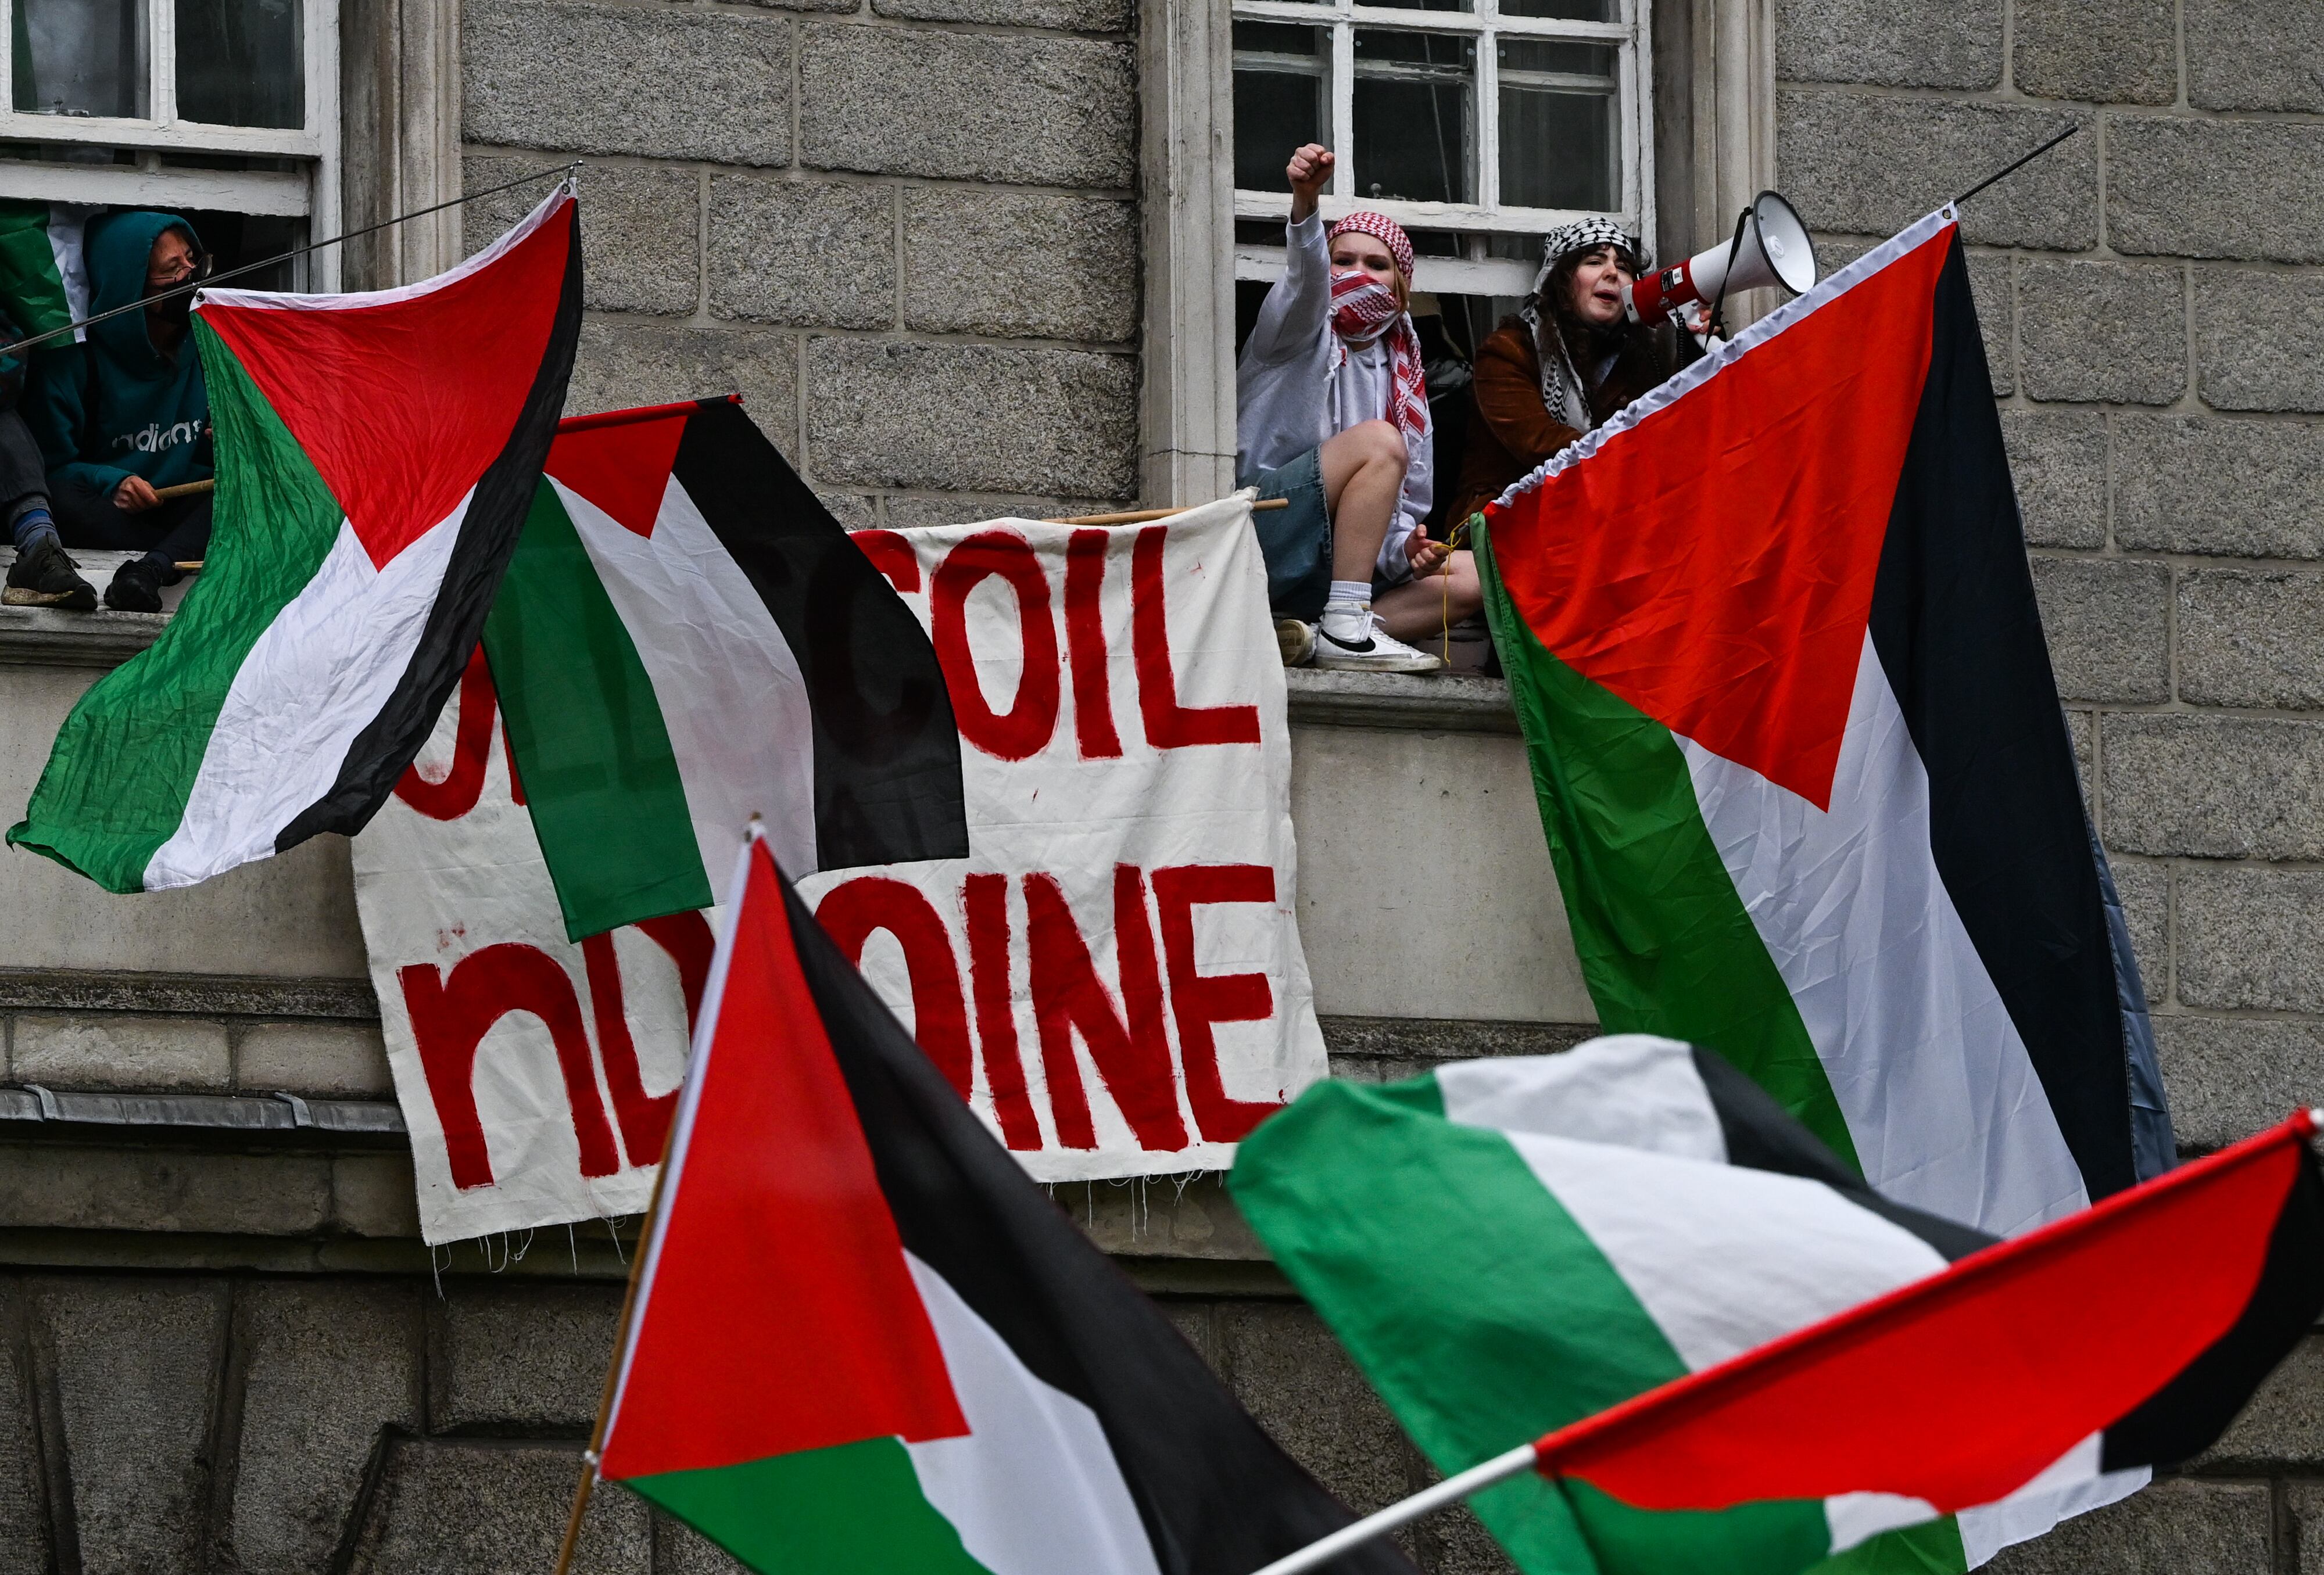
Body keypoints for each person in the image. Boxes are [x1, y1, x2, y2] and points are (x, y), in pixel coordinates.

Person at [1236, 143, 1483, 673]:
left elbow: (1396, 515)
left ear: (1402, 285)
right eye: (1343, 260)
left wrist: (1407, 550)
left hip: (1334, 566)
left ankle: (1316, 633)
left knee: (1472, 577)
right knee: (1379, 441)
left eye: (1377, 265)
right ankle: (1347, 630)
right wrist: (1305, 203)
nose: (1358, 274)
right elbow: (1305, 280)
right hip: (1264, 530)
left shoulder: (1405, 370)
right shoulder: (1294, 330)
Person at [25, 210, 212, 612]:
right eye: (172, 269)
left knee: (239, 490)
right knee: (59, 497)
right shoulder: (75, 363)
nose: (192, 276)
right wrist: (113, 480)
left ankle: (152, 568)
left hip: (180, 512)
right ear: (130, 286)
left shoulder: (212, 348)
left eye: (192, 259)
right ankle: (164, 556)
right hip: (115, 515)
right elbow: (51, 469)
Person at [1446, 218, 1678, 524]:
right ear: (1561, 280)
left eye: (1623, 268)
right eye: (1594, 262)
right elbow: (1539, 444)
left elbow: (1673, 437)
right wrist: (1634, 461)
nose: (1612, 273)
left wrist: (1696, 345)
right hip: (1509, 524)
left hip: (1607, 522)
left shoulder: (1640, 362)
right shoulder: (1508, 351)